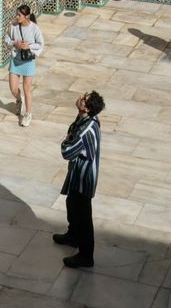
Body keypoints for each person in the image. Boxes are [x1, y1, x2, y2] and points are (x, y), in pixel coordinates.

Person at [52, 90, 105, 270]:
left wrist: (65, 141)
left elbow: (67, 151)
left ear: (88, 109)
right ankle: (73, 235)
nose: (80, 98)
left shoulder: (86, 129)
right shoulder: (87, 119)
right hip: (78, 173)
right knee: (71, 204)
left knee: (83, 216)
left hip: (84, 177)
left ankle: (86, 256)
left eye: (84, 99)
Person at [3, 4, 44, 127]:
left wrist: (29, 46)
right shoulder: (13, 26)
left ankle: (28, 114)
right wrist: (15, 43)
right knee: (13, 88)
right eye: (17, 14)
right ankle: (19, 100)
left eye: (19, 15)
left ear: (27, 16)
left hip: (28, 62)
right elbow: (6, 39)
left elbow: (41, 44)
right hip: (16, 60)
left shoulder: (34, 28)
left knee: (27, 89)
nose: (17, 17)